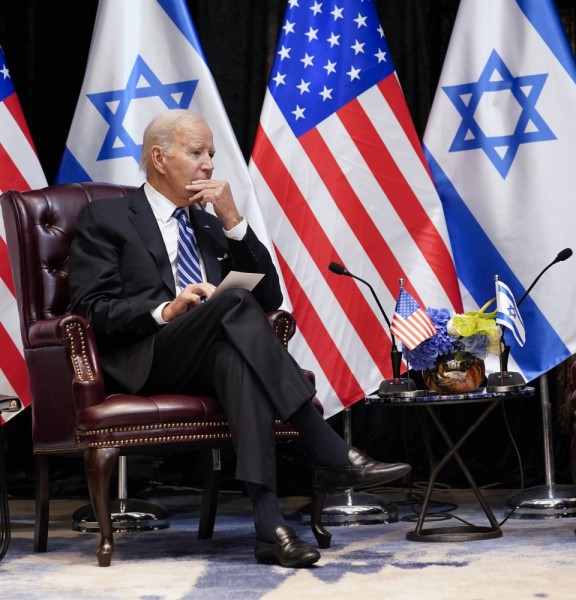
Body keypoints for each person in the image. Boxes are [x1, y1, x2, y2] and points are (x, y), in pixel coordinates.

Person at [67, 109, 410, 568]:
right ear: (159, 158)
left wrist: (233, 221)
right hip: (146, 357)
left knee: (237, 352)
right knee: (230, 304)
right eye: (196, 152)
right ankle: (322, 444)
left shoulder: (209, 226)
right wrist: (165, 310)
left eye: (211, 153)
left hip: (209, 356)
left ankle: (270, 529)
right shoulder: (107, 216)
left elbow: (269, 296)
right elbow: (91, 308)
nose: (209, 164)